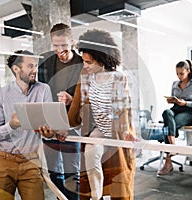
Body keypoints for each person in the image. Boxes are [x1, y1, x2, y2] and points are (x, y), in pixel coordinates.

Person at [66, 29, 137, 200]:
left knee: (119, 183)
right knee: (91, 156)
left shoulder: (119, 78)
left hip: (116, 134)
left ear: (102, 59)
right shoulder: (85, 78)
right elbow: (77, 112)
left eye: (89, 62)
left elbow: (125, 111)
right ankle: (96, 195)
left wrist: (127, 133)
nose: (85, 65)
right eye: (84, 61)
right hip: (96, 131)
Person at [0, 50, 55, 200]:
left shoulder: (43, 90)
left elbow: (49, 128)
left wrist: (49, 133)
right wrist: (11, 125)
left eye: (36, 66)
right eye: (30, 66)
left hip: (31, 161)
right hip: (3, 161)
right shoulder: (1, 95)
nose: (35, 70)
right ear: (16, 69)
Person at [38, 23, 83, 199]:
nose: (60, 50)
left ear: (72, 42)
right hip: (50, 125)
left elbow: (87, 98)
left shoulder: (82, 63)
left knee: (73, 172)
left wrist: (72, 99)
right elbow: (40, 93)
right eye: (55, 46)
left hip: (72, 124)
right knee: (54, 172)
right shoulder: (46, 61)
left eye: (64, 45)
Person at [158, 59, 192, 175]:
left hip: (187, 112)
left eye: (181, 73)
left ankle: (168, 163)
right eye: (177, 73)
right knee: (166, 112)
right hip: (175, 109)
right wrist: (172, 100)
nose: (179, 76)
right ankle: (173, 146)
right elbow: (173, 100)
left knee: (167, 127)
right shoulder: (174, 84)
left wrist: (185, 103)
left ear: (188, 71)